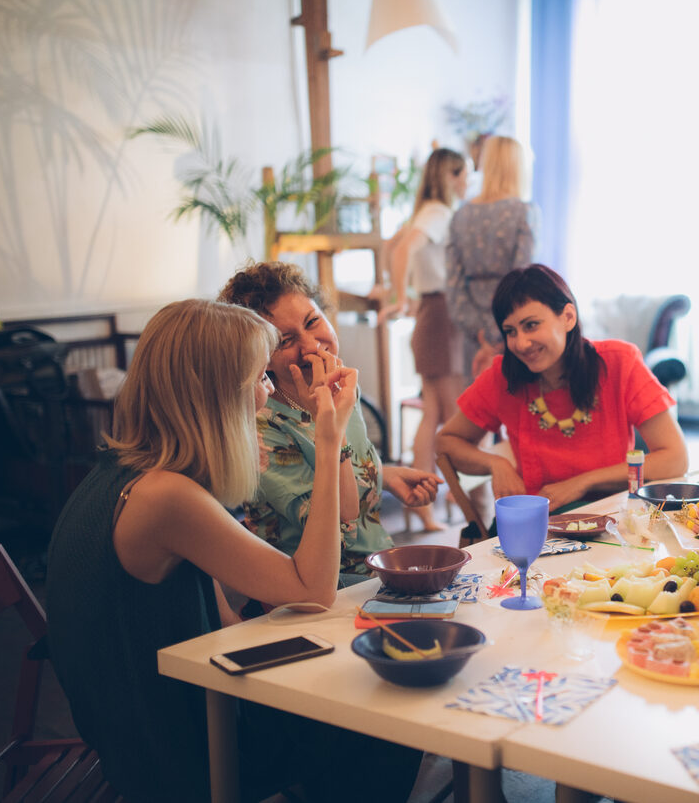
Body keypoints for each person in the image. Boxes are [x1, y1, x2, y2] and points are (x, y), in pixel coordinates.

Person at [46, 299, 422, 803]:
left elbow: (224, 620)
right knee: (389, 714)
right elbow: (314, 591)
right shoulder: (165, 497)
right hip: (173, 748)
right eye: (258, 379)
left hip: (151, 716)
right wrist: (327, 438)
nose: (266, 396)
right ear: (216, 396)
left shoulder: (127, 471)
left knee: (353, 679)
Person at [219, 262, 440, 578]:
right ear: (259, 355)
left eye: (312, 321)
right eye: (285, 341)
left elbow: (343, 469)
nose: (310, 346)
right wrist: (331, 421)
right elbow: (340, 531)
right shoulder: (261, 430)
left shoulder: (340, 387)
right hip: (319, 590)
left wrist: (383, 476)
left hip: (377, 567)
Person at [437, 264, 689, 513]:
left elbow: (675, 458)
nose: (521, 343)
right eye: (510, 331)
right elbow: (447, 441)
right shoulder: (502, 376)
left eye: (531, 325)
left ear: (568, 317)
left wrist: (581, 483)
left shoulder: (619, 362)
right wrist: (495, 463)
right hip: (541, 525)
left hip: (615, 518)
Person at [372, 148, 468, 531]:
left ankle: (426, 505)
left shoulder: (425, 211)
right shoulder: (438, 213)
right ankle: (445, 501)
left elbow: (391, 248)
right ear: (452, 176)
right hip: (440, 315)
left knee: (433, 414)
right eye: (465, 174)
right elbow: (404, 248)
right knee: (450, 418)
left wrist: (406, 295)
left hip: (433, 313)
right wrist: (399, 297)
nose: (468, 182)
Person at [446, 135, 538, 382]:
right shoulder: (524, 212)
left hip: (473, 338)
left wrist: (480, 334)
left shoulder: (461, 215)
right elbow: (523, 279)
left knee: (477, 411)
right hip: (515, 332)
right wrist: (501, 332)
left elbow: (453, 286)